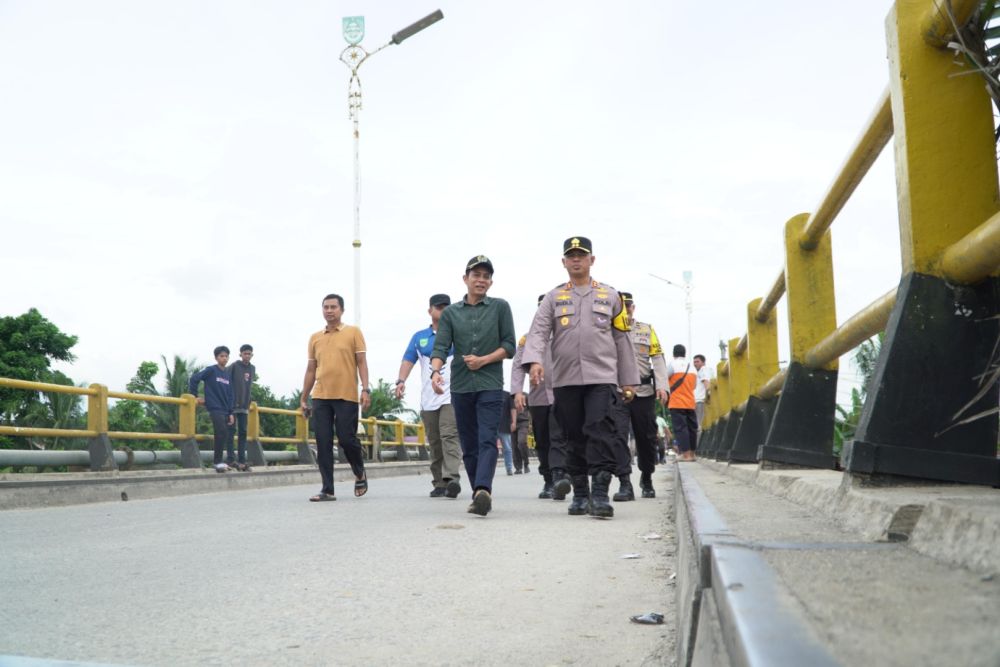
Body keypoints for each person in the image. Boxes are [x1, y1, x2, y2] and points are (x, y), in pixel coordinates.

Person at [522, 236, 640, 519]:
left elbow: (621, 339)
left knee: (601, 431)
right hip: (565, 379)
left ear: (592, 260)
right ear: (564, 262)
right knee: (572, 436)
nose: (576, 259)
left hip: (602, 377)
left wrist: (628, 380)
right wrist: (536, 361)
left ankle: (599, 494)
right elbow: (538, 332)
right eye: (571, 255)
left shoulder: (611, 296)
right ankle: (580, 493)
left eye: (581, 255)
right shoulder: (553, 298)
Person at [431, 255, 516, 517]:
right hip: (461, 385)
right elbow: (441, 346)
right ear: (465, 279)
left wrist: (484, 360)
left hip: (490, 383)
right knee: (468, 443)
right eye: (476, 275)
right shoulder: (451, 314)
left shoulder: (500, 307)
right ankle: (478, 492)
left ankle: (482, 490)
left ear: (491, 282)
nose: (481, 280)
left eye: (486, 276)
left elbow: (510, 346)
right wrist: (435, 372)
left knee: (487, 438)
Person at [300, 294, 370, 502]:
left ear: (342, 310)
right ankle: (327, 489)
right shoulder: (315, 337)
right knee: (323, 441)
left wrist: (365, 389)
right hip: (321, 396)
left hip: (346, 395)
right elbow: (311, 369)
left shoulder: (353, 332)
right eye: (326, 307)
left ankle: (359, 471)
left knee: (346, 439)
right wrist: (304, 397)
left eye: (333, 307)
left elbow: (362, 362)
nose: (329, 310)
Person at [395, 294, 462, 499]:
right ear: (430, 310)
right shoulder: (420, 337)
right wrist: (400, 381)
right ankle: (439, 482)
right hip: (429, 398)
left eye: (446, 307)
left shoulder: (458, 334)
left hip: (452, 395)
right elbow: (408, 360)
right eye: (438, 307)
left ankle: (452, 479)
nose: (442, 311)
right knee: (434, 441)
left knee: (449, 435)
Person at [511, 294, 570, 500]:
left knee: (558, 438)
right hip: (538, 398)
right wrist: (517, 391)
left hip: (563, 395)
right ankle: (548, 480)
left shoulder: (567, 335)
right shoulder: (528, 340)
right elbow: (518, 366)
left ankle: (559, 476)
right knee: (543, 440)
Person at [617, 292, 669, 499]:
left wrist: (662, 386)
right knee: (618, 436)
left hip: (644, 392)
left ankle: (646, 477)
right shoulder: (608, 329)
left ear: (633, 308)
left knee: (646, 438)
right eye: (621, 306)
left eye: (628, 306)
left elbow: (657, 357)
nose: (626, 309)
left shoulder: (646, 330)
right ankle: (624, 482)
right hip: (618, 392)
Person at [188, 346, 235, 470]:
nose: (224, 358)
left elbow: (230, 394)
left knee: (224, 434)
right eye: (221, 356)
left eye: (226, 356)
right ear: (216, 358)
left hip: (225, 409)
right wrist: (194, 396)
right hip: (214, 407)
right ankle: (217, 462)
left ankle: (219, 461)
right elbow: (194, 379)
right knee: (221, 432)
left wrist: (231, 412)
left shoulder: (227, 375)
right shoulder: (211, 370)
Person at [666, 344, 699, 462]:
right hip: (690, 402)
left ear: (674, 354)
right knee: (692, 428)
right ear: (684, 354)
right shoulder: (692, 367)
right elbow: (694, 386)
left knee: (681, 429)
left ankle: (685, 455)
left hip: (676, 402)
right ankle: (693, 454)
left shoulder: (672, 365)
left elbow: (664, 379)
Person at [227, 344, 256, 471]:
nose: (247, 356)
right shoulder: (234, 366)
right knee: (230, 432)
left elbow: (248, 386)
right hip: (232, 405)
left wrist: (249, 401)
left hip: (244, 405)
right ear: (240, 354)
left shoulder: (252, 368)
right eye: (245, 353)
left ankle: (242, 460)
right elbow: (226, 381)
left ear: (252, 355)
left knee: (243, 432)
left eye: (249, 354)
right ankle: (230, 459)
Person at [693, 353, 712, 442]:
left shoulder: (703, 369)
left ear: (703, 362)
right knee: (701, 424)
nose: (695, 363)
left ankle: (698, 447)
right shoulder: (708, 370)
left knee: (699, 425)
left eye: (697, 361)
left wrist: (708, 396)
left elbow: (706, 383)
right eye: (694, 362)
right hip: (700, 401)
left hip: (700, 401)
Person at [497, 391, 515, 475]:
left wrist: (514, 422)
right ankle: (488, 469)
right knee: (489, 448)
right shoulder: (489, 394)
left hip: (504, 425)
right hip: (491, 426)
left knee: (507, 448)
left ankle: (509, 468)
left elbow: (513, 409)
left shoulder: (507, 395)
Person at [512, 408, 530, 474]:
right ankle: (518, 467)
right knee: (514, 446)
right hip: (511, 422)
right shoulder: (508, 397)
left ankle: (526, 463)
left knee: (521, 442)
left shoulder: (525, 397)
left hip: (523, 422)